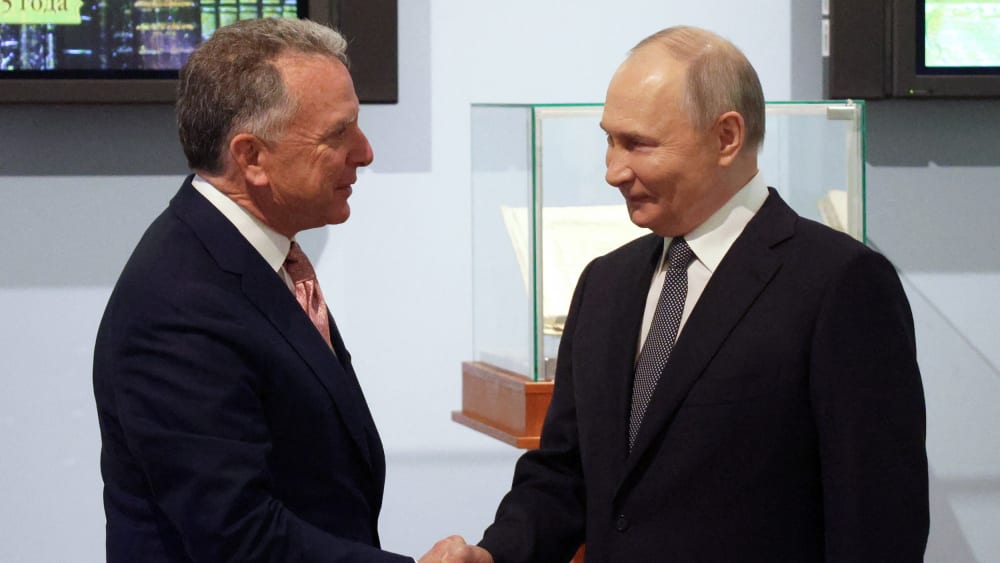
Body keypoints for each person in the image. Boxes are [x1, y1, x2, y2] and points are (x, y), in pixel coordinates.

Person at [430, 26, 930, 562]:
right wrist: (493, 555)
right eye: (609, 140)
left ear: (726, 137)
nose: (613, 171)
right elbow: (565, 474)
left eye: (638, 144)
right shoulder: (604, 284)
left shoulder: (841, 284)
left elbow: (878, 522)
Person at [93, 17, 419, 562]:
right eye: (337, 134)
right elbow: (236, 535)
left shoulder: (252, 258)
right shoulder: (180, 306)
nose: (364, 152)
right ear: (251, 157)